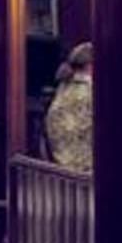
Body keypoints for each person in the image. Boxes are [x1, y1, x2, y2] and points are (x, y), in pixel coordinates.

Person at [46, 41, 93, 172]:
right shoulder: (90, 91)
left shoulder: (64, 86)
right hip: (85, 166)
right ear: (90, 65)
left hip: (62, 162)